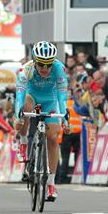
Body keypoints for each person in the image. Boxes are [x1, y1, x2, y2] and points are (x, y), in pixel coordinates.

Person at [15, 41, 69, 201]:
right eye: (41, 65)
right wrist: (19, 116)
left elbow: (62, 96)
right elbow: (20, 96)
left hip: (50, 100)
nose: (45, 69)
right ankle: (24, 142)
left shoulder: (59, 69)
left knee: (53, 138)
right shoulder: (26, 70)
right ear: (34, 61)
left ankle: (51, 184)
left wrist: (66, 118)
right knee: (24, 108)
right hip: (31, 96)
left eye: (48, 65)